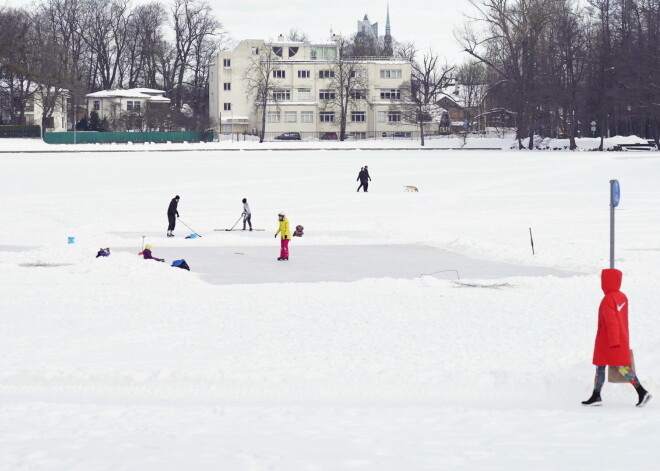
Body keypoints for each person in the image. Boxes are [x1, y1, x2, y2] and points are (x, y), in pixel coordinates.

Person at [582, 268, 652, 407]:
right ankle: (596, 396)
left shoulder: (608, 299)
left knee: (619, 367)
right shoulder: (622, 296)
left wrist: (614, 341)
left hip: (609, 341)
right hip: (619, 337)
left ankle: (642, 392)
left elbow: (611, 321)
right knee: (603, 367)